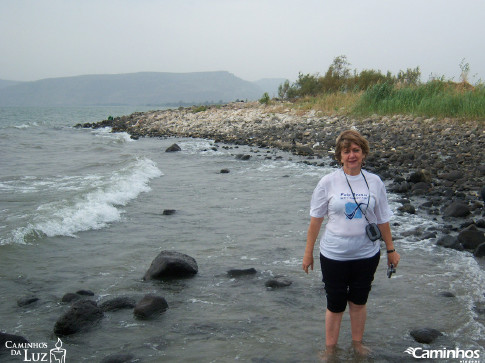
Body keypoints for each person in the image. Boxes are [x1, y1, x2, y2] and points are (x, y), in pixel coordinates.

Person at [302, 129, 400, 356]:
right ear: (339, 156)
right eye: (346, 151)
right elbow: (315, 222)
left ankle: (357, 344)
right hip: (334, 255)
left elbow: (383, 219)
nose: (351, 155)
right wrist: (308, 254)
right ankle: (330, 349)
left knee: (358, 301)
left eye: (356, 150)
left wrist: (391, 250)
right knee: (335, 304)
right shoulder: (328, 182)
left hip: (366, 254)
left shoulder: (375, 182)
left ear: (363, 153)